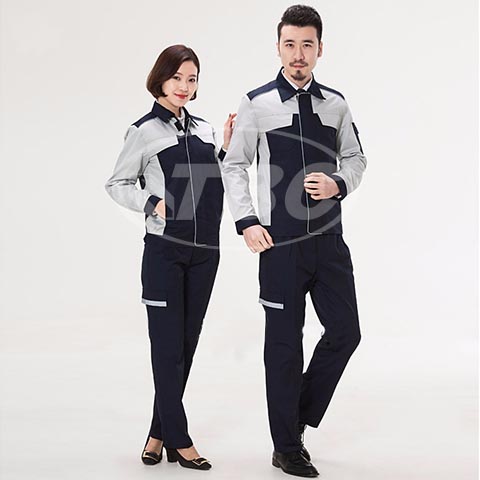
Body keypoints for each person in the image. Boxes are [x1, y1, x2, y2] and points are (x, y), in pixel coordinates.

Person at [221, 5, 367, 478]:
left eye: (307, 44)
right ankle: (286, 447)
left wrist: (338, 183)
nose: (298, 54)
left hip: (329, 241)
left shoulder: (336, 104)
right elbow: (234, 164)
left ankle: (294, 415)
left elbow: (356, 158)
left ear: (320, 49)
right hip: (279, 245)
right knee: (284, 346)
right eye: (290, 44)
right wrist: (247, 222)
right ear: (278, 48)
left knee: (345, 332)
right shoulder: (256, 103)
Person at [105, 44, 235, 471]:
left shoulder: (205, 130)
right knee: (166, 348)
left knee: (185, 347)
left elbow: (211, 178)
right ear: (160, 78)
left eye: (191, 79)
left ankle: (157, 433)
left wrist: (224, 149)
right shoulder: (143, 131)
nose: (184, 86)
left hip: (206, 253)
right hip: (165, 252)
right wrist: (152, 203)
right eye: (177, 77)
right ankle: (181, 441)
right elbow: (117, 183)